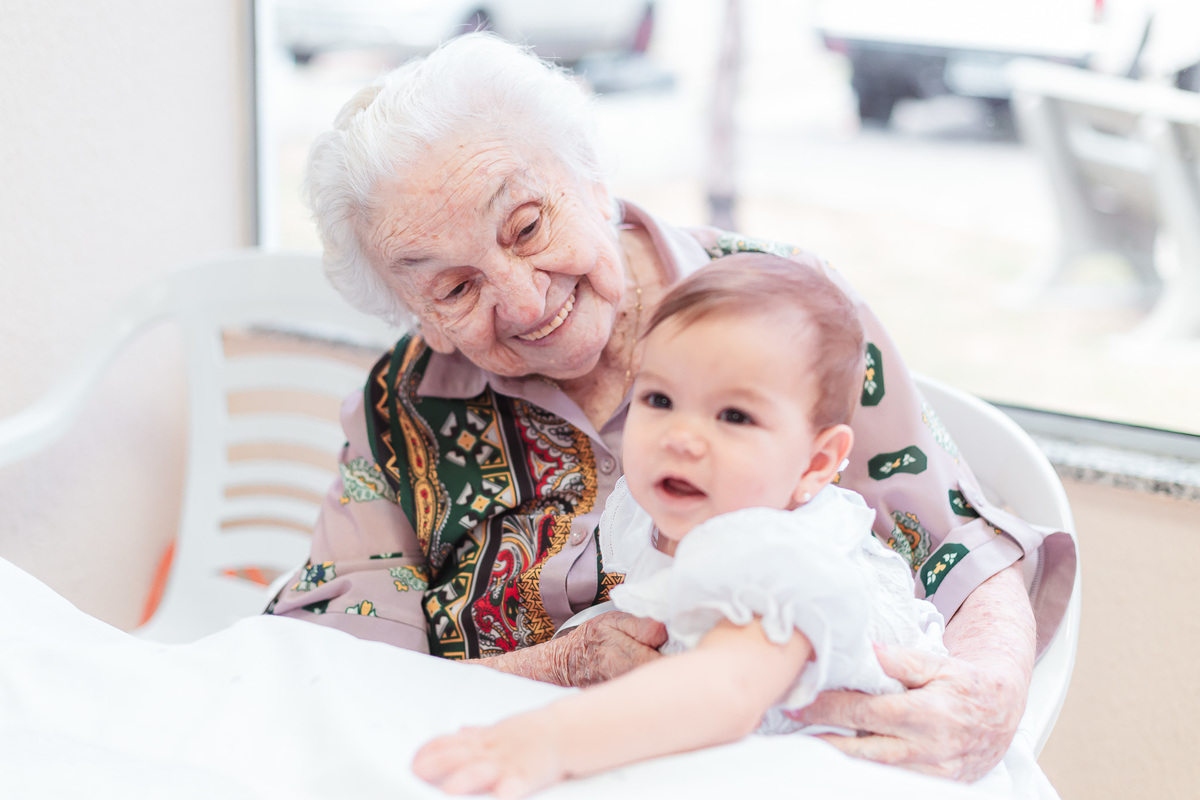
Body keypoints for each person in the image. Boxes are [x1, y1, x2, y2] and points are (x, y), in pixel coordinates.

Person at [264, 32, 1077, 782]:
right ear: (409, 306)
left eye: (526, 226)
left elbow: (961, 545)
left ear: (590, 175)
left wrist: (983, 701)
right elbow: (331, 664)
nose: (520, 299)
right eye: (452, 286)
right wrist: (557, 668)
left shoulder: (785, 315)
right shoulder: (401, 403)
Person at [411, 254, 956, 797]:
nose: (681, 437)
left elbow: (724, 690)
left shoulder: (784, 555)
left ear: (815, 464)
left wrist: (550, 739)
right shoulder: (665, 513)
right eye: (660, 399)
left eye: (734, 416)